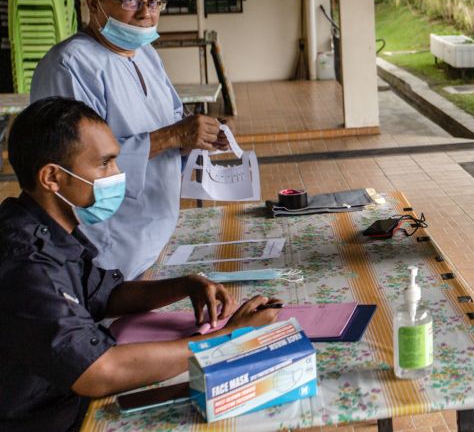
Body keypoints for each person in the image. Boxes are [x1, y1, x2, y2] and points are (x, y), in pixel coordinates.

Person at [0, 97, 281, 432]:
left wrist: (184, 284)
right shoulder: (25, 260)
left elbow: (105, 294)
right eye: (104, 164)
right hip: (42, 420)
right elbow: (98, 371)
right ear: (52, 177)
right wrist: (227, 339)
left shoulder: (49, 229)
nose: (117, 175)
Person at [31, 0, 226, 280]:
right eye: (130, 0)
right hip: (107, 243)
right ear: (94, 3)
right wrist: (173, 136)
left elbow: (171, 122)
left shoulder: (145, 53)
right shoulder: (70, 64)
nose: (145, 13)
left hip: (154, 232)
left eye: (154, 2)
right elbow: (77, 164)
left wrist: (194, 136)